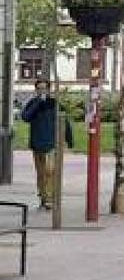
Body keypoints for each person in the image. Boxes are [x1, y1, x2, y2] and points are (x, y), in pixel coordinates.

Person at [21, 79, 72, 210]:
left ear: (49, 90)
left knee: (51, 170)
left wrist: (69, 140)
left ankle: (50, 198)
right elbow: (26, 117)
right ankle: (43, 198)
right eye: (39, 88)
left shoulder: (54, 103)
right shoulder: (33, 103)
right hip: (37, 144)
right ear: (36, 90)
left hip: (52, 143)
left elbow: (64, 121)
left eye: (44, 88)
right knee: (41, 173)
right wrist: (38, 102)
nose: (42, 91)